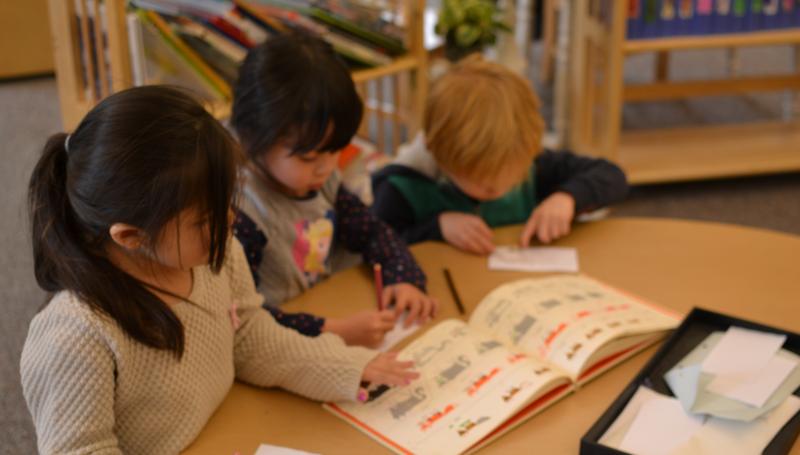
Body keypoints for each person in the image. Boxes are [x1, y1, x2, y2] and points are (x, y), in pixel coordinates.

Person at [20, 86, 417, 454]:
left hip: (230, 426)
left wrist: (345, 367)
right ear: (130, 237)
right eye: (204, 219)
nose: (230, 221)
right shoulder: (73, 337)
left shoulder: (216, 253)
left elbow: (248, 337)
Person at [231, 33, 437, 347]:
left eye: (335, 150)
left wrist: (404, 278)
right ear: (251, 137)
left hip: (328, 310)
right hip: (282, 345)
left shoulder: (320, 180)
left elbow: (372, 232)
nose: (326, 168)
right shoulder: (242, 214)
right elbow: (244, 319)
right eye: (309, 157)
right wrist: (333, 329)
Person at [372, 57, 629, 254]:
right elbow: (375, 245)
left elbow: (613, 176)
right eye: (483, 184)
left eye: (515, 176)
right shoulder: (402, 186)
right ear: (440, 156)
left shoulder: (527, 157)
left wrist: (567, 197)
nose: (500, 189)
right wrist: (436, 228)